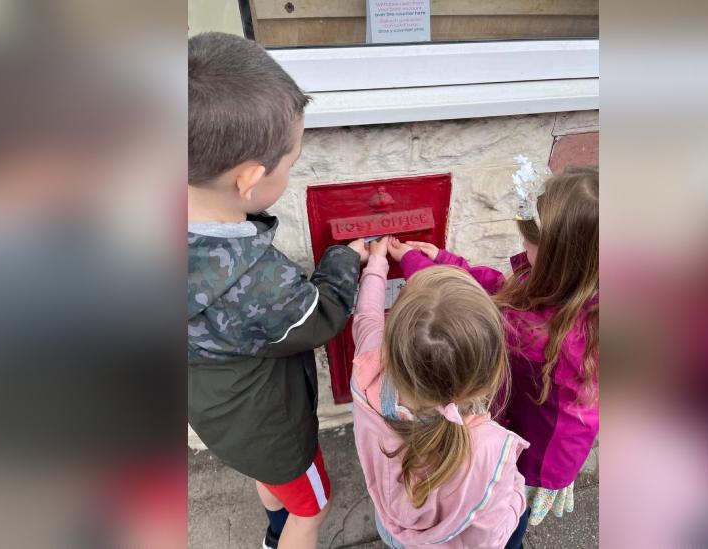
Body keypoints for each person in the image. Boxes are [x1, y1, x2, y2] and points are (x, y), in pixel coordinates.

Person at [186, 32, 368, 549]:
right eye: (291, 163)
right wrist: (346, 257)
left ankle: (273, 529)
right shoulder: (255, 281)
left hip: (217, 415)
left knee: (274, 488)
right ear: (249, 179)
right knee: (312, 508)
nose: (292, 170)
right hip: (275, 432)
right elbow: (321, 313)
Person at [389, 166, 600, 548]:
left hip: (536, 456)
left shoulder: (539, 335)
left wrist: (418, 268)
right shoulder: (587, 294)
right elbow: (504, 287)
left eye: (530, 246)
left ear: (559, 260)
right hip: (540, 424)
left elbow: (472, 312)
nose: (522, 251)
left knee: (508, 515)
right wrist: (444, 258)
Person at [351, 236, 529, 548]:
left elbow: (366, 318)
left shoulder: (366, 372)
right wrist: (516, 496)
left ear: (393, 343)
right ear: (487, 376)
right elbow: (489, 538)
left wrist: (377, 263)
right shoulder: (489, 449)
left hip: (393, 529)